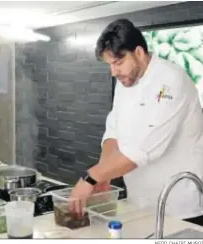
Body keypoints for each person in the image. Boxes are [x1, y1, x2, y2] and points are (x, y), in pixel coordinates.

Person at [70, 19, 203, 226]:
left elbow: (143, 149)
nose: (113, 72)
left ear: (139, 53)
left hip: (178, 207)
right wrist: (104, 173)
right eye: (110, 65)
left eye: (118, 62)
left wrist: (91, 178)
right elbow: (113, 131)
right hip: (140, 202)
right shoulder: (126, 82)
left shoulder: (169, 81)